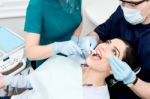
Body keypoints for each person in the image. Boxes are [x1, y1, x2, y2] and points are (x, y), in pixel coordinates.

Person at [0, 38, 139, 99]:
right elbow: (33, 80)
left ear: (115, 70)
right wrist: (5, 80)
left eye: (114, 52)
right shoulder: (74, 60)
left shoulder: (96, 96)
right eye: (107, 42)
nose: (103, 46)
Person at [78, 0, 150, 99]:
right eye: (123, 1)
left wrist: (132, 80)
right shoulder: (123, 10)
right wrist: (91, 38)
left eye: (132, 4)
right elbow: (99, 33)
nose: (126, 7)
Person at [24, 0, 82, 68]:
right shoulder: (36, 4)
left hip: (70, 58)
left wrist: (75, 38)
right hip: (46, 62)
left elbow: (79, 20)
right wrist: (57, 47)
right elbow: (30, 52)